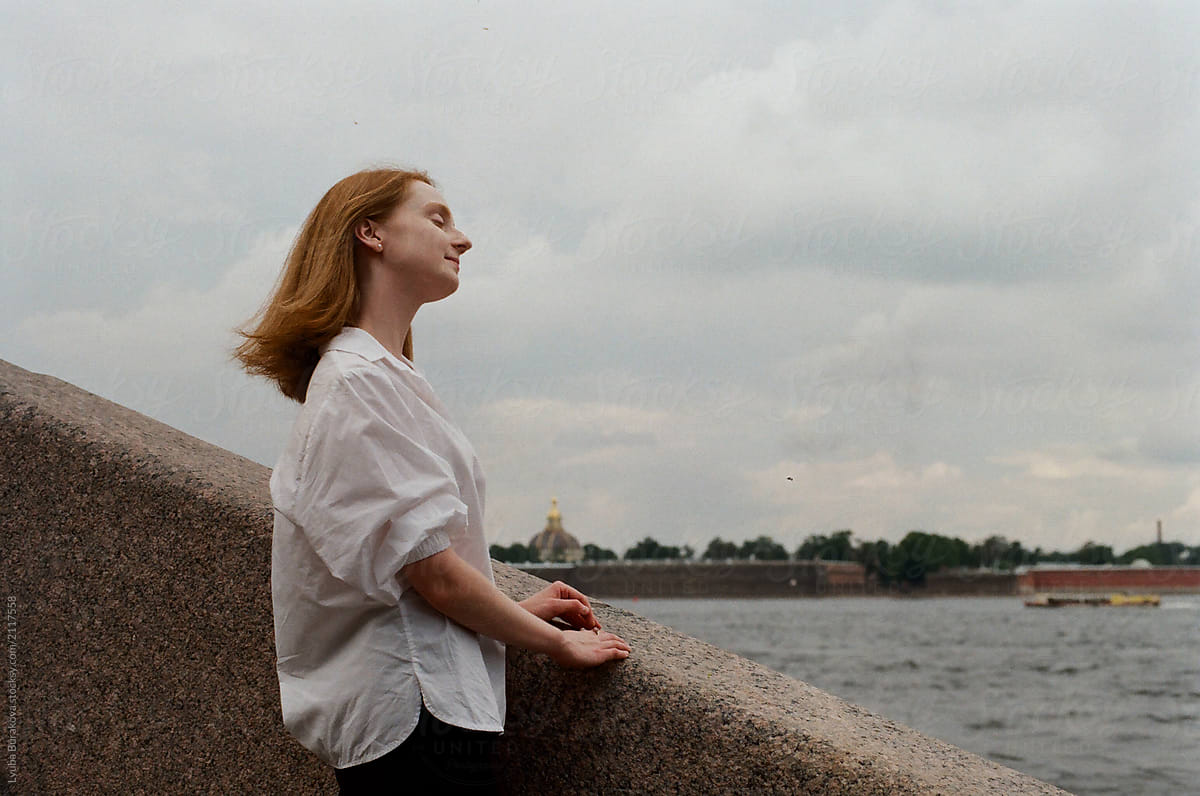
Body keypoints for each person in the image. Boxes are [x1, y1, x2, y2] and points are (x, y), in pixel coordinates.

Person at [233, 167, 631, 794]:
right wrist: (555, 647)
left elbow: (402, 581)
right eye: (437, 218)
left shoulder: (381, 378)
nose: (462, 239)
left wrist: (512, 611)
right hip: (414, 715)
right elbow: (436, 574)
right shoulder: (359, 383)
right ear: (371, 233)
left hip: (419, 707)